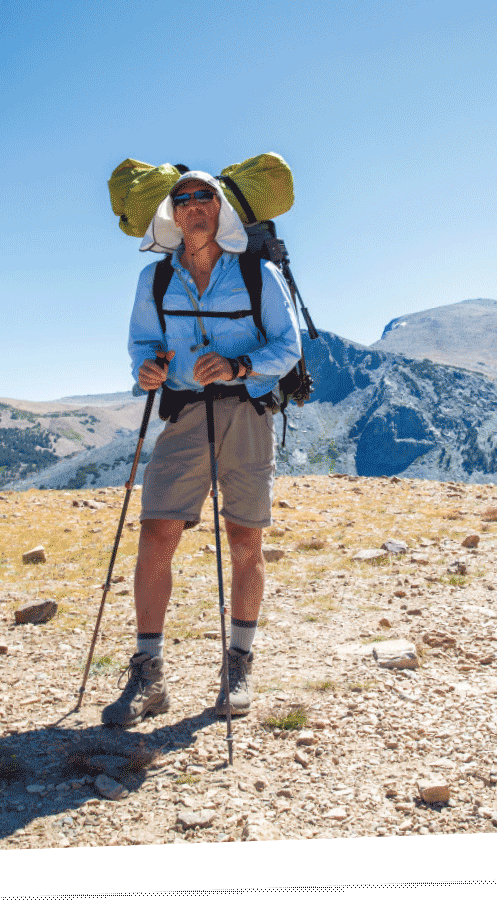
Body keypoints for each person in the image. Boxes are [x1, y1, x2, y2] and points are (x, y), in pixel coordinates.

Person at [101, 170, 302, 727]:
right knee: (157, 528)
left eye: (203, 198)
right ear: (172, 213)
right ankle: (148, 673)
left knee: (244, 534)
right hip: (185, 409)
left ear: (220, 211)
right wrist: (146, 368)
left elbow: (289, 347)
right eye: (182, 199)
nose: (193, 207)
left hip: (246, 410)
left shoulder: (257, 275)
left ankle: (238, 664)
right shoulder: (155, 279)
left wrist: (240, 365)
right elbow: (144, 341)